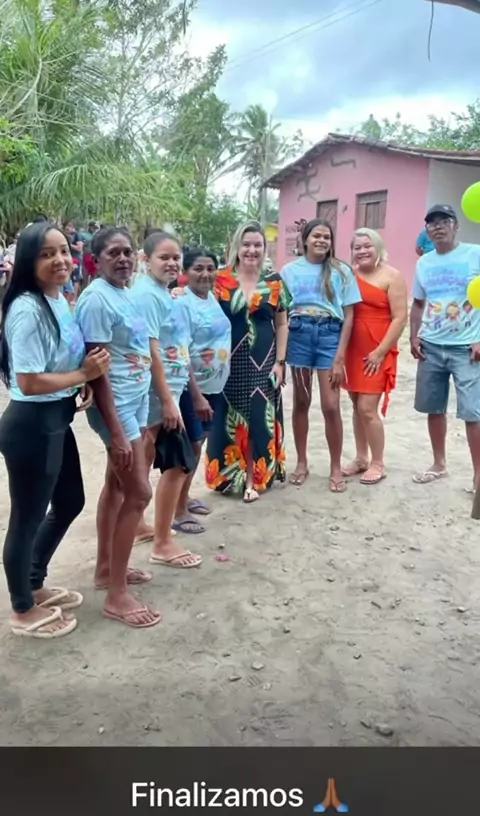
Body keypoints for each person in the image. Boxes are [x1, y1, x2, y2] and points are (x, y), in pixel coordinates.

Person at [0, 222, 110, 638]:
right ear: (29, 261)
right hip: (31, 425)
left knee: (69, 501)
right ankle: (22, 608)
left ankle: (33, 581)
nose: (60, 260)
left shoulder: (58, 299)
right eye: (47, 254)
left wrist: (78, 383)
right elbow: (28, 381)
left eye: (63, 250)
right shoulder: (27, 309)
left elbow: (58, 362)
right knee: (26, 519)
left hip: (55, 417)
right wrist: (83, 374)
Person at [75, 227, 161, 628]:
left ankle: (107, 569)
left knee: (116, 485)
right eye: (114, 253)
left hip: (134, 399)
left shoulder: (124, 292)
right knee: (139, 492)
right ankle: (116, 596)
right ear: (96, 260)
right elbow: (97, 371)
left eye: (128, 252)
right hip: (117, 406)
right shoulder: (96, 299)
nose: (123, 259)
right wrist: (116, 431)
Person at [130, 232, 202, 568]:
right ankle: (162, 543)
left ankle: (138, 525)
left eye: (176, 257)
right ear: (146, 260)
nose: (172, 263)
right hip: (158, 392)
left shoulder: (160, 292)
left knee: (145, 459)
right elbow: (150, 351)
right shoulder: (148, 295)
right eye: (164, 257)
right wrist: (168, 400)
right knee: (177, 463)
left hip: (167, 390)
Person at [206, 220, 288, 503]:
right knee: (228, 416)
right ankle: (230, 476)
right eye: (246, 244)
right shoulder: (219, 279)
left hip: (265, 360)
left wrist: (280, 362)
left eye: (257, 245)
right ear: (236, 247)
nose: (252, 250)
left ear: (265, 248)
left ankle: (253, 478)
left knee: (258, 417)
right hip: (228, 361)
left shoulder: (274, 281)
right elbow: (198, 303)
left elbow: (282, 323)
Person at [280, 218, 361, 493]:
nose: (322, 241)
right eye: (316, 236)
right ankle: (302, 463)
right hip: (299, 334)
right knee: (301, 401)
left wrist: (340, 357)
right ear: (305, 240)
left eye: (327, 237)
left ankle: (335, 467)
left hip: (329, 335)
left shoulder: (342, 271)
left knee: (331, 405)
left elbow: (349, 316)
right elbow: (281, 312)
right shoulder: (289, 271)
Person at [410, 204, 480, 489]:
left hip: (467, 348)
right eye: (432, 223)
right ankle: (439, 464)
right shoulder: (424, 263)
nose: (438, 226)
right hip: (431, 346)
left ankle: (478, 476)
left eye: (444, 221)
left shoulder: (475, 253)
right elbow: (418, 304)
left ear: (456, 226)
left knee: (473, 412)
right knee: (434, 407)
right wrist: (414, 336)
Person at [342, 228, 408, 484]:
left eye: (367, 246)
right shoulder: (349, 275)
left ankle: (378, 462)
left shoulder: (392, 276)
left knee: (368, 408)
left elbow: (400, 318)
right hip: (353, 349)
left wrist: (380, 352)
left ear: (378, 247)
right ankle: (361, 458)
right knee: (356, 406)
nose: (362, 251)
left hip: (378, 350)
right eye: (357, 247)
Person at [173, 247, 232, 530]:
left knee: (199, 445)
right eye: (198, 268)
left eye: (210, 268)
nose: (205, 274)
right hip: (192, 388)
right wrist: (196, 396)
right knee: (192, 445)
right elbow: (181, 352)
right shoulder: (182, 304)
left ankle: (184, 497)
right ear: (186, 271)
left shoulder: (212, 298)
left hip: (214, 386)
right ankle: (177, 511)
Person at [63, 220, 84, 300]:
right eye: (66, 229)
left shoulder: (77, 235)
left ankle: (74, 299)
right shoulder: (65, 235)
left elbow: (79, 248)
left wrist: (68, 244)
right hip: (67, 258)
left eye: (68, 228)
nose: (67, 230)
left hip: (75, 259)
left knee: (75, 278)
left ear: (72, 227)